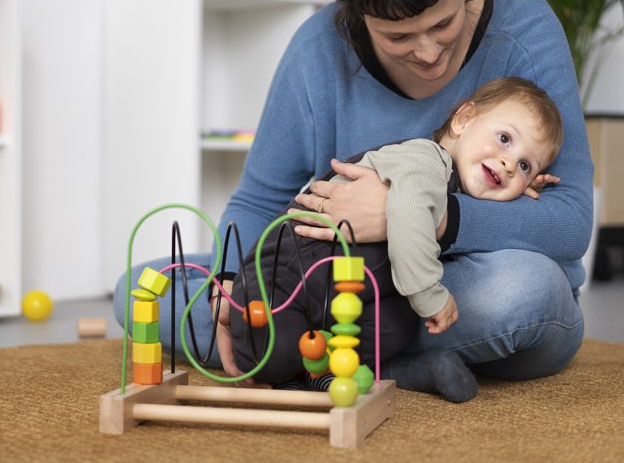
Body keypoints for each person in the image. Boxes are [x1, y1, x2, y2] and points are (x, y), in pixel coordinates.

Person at [114, 0, 592, 400]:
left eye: (443, 25)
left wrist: (419, 216)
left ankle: (311, 359)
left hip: (469, 285)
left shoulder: (526, 31)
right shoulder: (318, 46)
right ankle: (385, 367)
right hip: (335, 288)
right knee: (141, 290)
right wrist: (229, 285)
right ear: (357, 19)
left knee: (526, 291)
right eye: (398, 37)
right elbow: (259, 198)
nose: (429, 53)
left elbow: (570, 222)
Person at [228, 77, 563, 402]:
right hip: (292, 270)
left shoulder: (458, 183)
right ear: (463, 120)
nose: (507, 165)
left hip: (351, 294)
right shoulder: (427, 161)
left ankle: (347, 371)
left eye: (524, 166)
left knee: (398, 326)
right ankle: (255, 335)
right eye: (504, 138)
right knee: (273, 352)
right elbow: (411, 218)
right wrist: (431, 296)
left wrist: (516, 193)